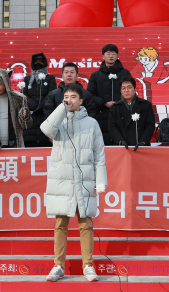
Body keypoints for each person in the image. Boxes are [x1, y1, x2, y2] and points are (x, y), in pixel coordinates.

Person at [41, 83, 107, 283]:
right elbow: (45, 129)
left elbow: (99, 155)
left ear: (81, 100)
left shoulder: (92, 123)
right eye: (66, 96)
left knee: (85, 223)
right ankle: (58, 265)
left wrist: (101, 180)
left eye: (73, 97)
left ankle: (88, 265)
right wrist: (62, 108)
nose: (69, 99)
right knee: (60, 224)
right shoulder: (58, 121)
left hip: (84, 180)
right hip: (62, 181)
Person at [87, 44, 132, 145]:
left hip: (122, 113)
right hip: (102, 114)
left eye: (113, 53)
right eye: (108, 53)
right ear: (103, 56)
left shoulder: (125, 73)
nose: (111, 56)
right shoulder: (96, 75)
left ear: (117, 56)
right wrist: (104, 103)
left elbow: (131, 92)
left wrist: (121, 103)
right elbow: (90, 95)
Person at [108, 76, 156, 149]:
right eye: (123, 88)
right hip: (122, 147)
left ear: (135, 89)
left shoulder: (146, 105)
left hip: (141, 147)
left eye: (129, 87)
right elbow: (112, 127)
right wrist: (120, 140)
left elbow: (150, 125)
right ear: (121, 91)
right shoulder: (115, 108)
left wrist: (143, 141)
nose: (126, 90)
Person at [22, 53, 57, 147]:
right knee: (30, 141)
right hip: (31, 116)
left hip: (45, 115)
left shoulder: (50, 78)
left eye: (40, 62)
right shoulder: (27, 79)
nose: (38, 64)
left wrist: (41, 107)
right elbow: (23, 95)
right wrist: (33, 106)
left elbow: (52, 94)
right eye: (36, 62)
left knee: (45, 141)